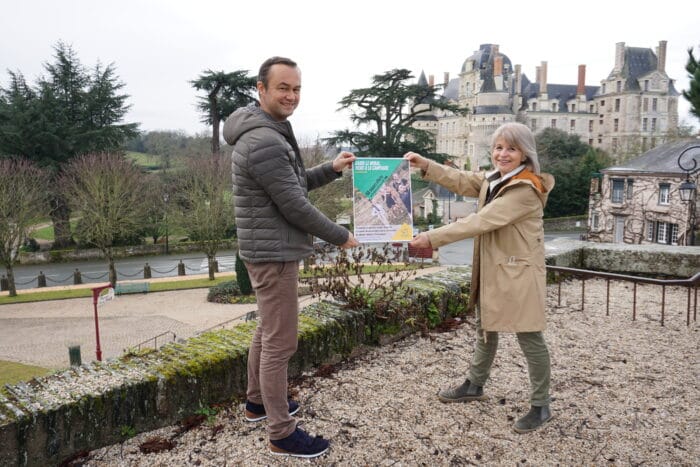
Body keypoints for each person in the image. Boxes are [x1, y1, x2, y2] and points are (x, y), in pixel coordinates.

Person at [223, 56, 359, 458]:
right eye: (283, 87)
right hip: (274, 254)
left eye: (296, 88)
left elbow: (292, 185)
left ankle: (257, 403)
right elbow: (295, 207)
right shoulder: (264, 139)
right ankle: (282, 434)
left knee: (267, 332)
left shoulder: (265, 129)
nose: (292, 95)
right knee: (281, 344)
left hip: (267, 248)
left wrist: (331, 169)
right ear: (261, 89)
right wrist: (341, 236)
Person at [404, 122, 555, 433]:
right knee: (485, 328)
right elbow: (461, 180)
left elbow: (480, 221)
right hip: (495, 269)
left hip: (519, 271)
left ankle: (541, 406)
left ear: (525, 153)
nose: (502, 154)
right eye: (499, 147)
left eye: (511, 148)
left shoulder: (525, 189)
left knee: (530, 337)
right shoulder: (497, 179)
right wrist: (427, 166)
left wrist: (430, 238)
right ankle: (474, 384)